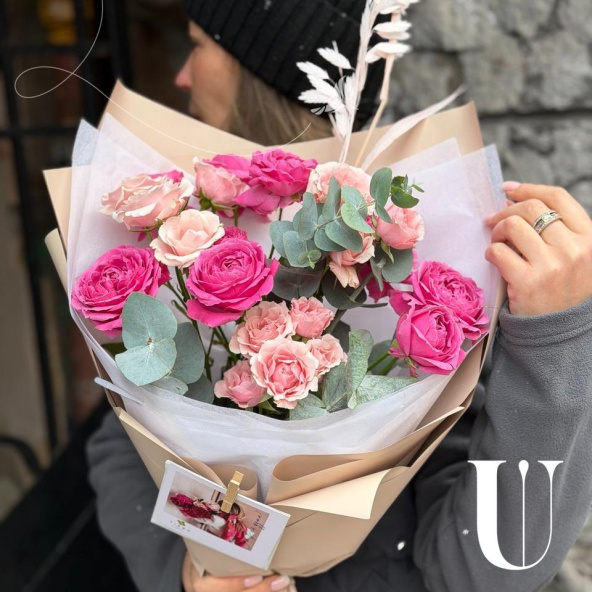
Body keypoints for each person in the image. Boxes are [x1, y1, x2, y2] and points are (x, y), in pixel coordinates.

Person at [87, 1, 592, 591]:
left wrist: (555, 341)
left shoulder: (442, 264)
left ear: (259, 68)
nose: (180, 75)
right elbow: (126, 448)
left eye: (198, 45)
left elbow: (489, 566)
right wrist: (211, 562)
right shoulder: (183, 242)